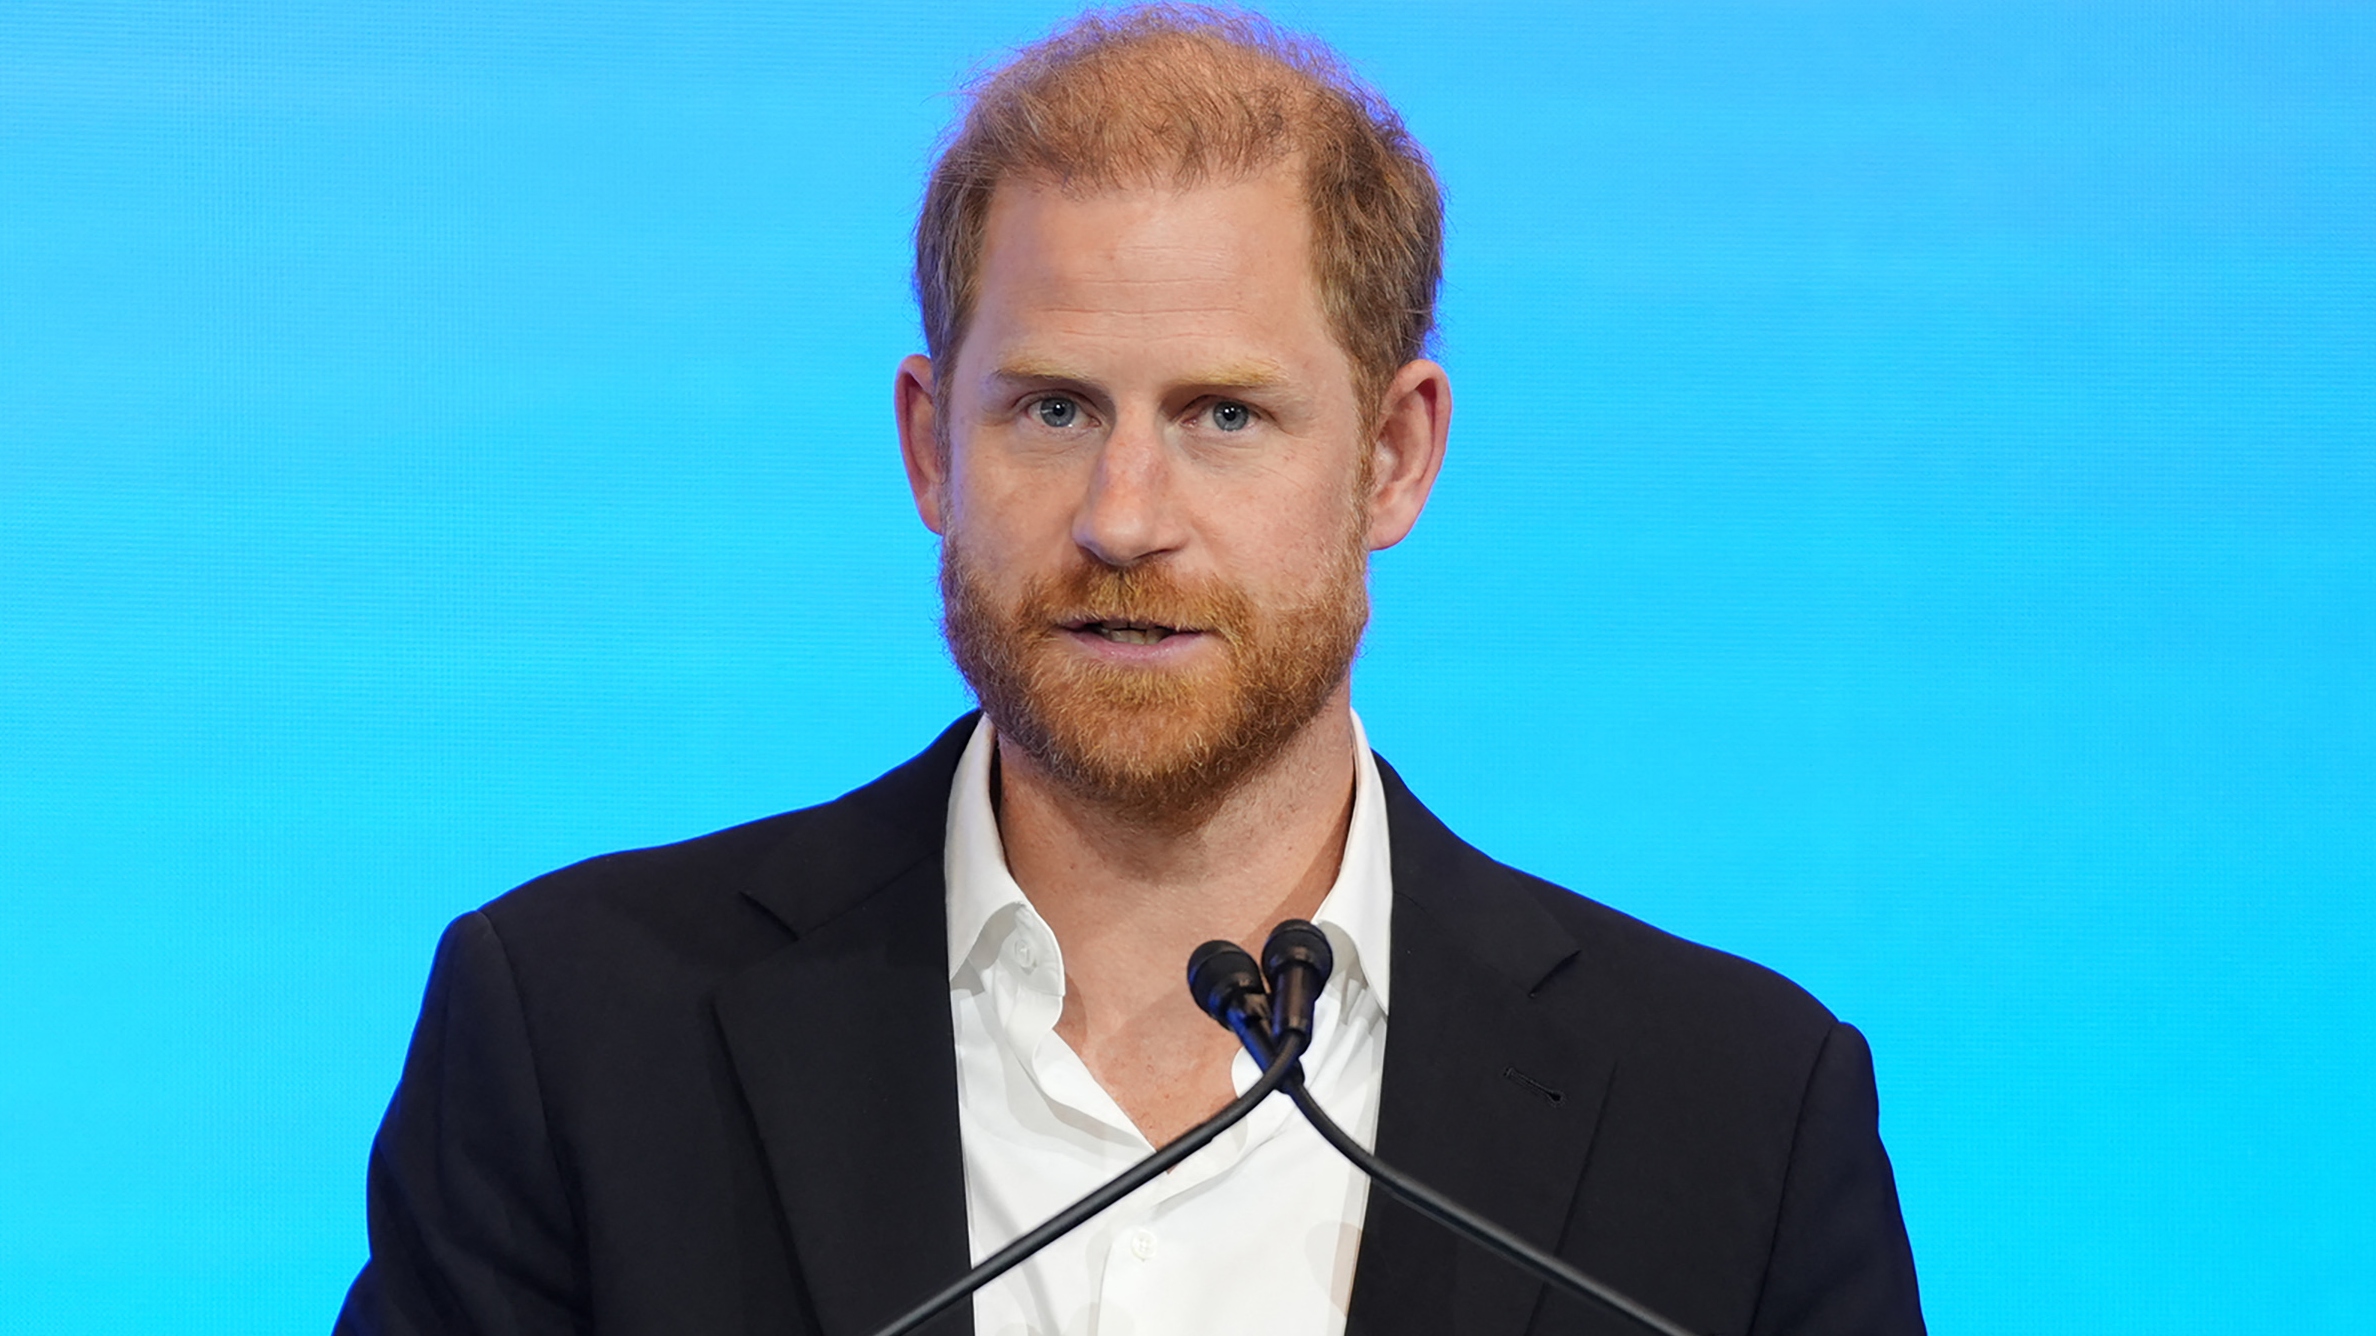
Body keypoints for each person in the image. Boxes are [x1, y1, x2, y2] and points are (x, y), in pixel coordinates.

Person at [336, 8, 1925, 1335]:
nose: (1123, 520)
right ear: (927, 448)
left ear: (1393, 457)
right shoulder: (578, 1036)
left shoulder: (1732, 1116)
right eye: (1052, 410)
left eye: (1225, 416)